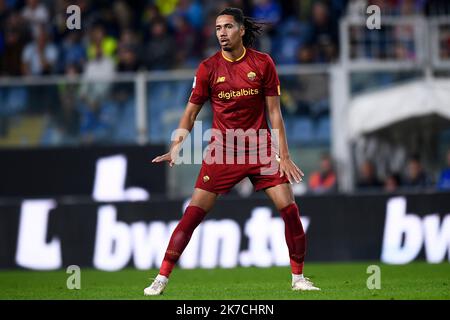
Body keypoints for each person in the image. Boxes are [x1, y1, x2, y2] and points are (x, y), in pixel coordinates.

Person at [145, 7, 320, 295]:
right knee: (192, 215)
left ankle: (298, 278)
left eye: (227, 27)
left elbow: (275, 113)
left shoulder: (263, 63)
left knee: (290, 210)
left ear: (240, 30)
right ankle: (161, 278)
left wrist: (283, 155)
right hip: (223, 152)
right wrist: (176, 146)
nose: (222, 33)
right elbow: (190, 114)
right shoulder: (207, 68)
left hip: (261, 149)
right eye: (217, 28)